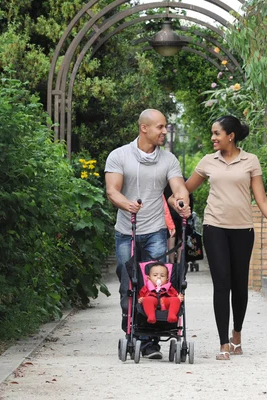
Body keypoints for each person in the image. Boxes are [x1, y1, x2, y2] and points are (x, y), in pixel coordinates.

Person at [172, 115, 267, 361]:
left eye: (217, 133)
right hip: (214, 227)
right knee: (221, 284)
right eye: (212, 133)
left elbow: (262, 199)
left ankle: (237, 333)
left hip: (243, 230)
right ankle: (223, 343)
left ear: (231, 136)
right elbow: (186, 188)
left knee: (239, 286)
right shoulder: (207, 161)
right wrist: (175, 200)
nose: (213, 138)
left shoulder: (251, 161)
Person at [105, 109, 190, 360]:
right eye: (160, 127)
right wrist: (127, 204)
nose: (165, 131)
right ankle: (132, 328)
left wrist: (181, 203)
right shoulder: (119, 156)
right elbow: (113, 190)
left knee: (157, 283)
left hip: (155, 231)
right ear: (144, 128)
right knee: (128, 281)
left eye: (165, 127)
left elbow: (178, 189)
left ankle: (151, 340)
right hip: (126, 230)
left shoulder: (168, 160)